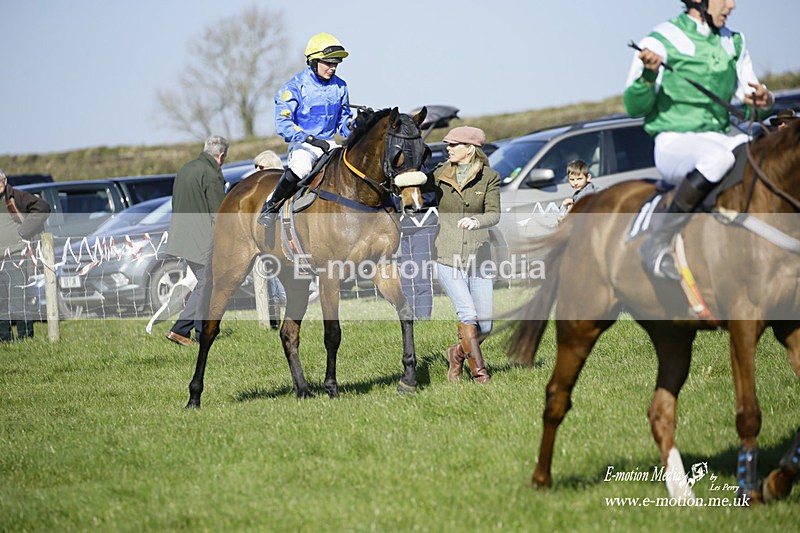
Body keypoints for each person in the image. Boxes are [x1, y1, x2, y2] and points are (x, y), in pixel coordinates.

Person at [624, 0, 774, 280]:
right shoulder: (659, 40)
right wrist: (649, 74)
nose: (732, 5)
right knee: (718, 159)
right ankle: (656, 244)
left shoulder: (735, 41)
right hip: (673, 142)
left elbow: (752, 94)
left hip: (719, 138)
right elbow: (634, 107)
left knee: (759, 157)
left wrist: (765, 99)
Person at [257, 32, 352, 228]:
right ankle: (271, 205)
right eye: (328, 63)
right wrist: (310, 139)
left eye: (335, 64)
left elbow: (344, 122)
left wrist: (352, 127)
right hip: (303, 145)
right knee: (301, 169)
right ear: (313, 61)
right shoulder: (293, 88)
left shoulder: (341, 86)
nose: (332, 68)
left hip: (330, 143)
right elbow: (283, 125)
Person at [430, 126, 500, 384]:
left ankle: (456, 354)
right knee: (468, 315)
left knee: (486, 326)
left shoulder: (490, 177)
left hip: (479, 257)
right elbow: (411, 179)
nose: (448, 148)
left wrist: (477, 221)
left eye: (454, 144)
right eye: (447, 144)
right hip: (447, 255)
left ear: (469, 148)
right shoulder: (439, 174)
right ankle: (481, 375)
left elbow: (494, 213)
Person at [165, 136, 228, 346]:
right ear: (220, 156)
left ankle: (201, 333)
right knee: (206, 284)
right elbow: (219, 213)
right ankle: (180, 330)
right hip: (202, 238)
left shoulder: (185, 168)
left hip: (181, 235)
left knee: (205, 283)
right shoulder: (211, 174)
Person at [0, 169, 51, 342]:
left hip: (15, 257)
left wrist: (24, 230)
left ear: (5, 180)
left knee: (18, 301)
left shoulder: (16, 196)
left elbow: (43, 207)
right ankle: (5, 339)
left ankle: (25, 339)